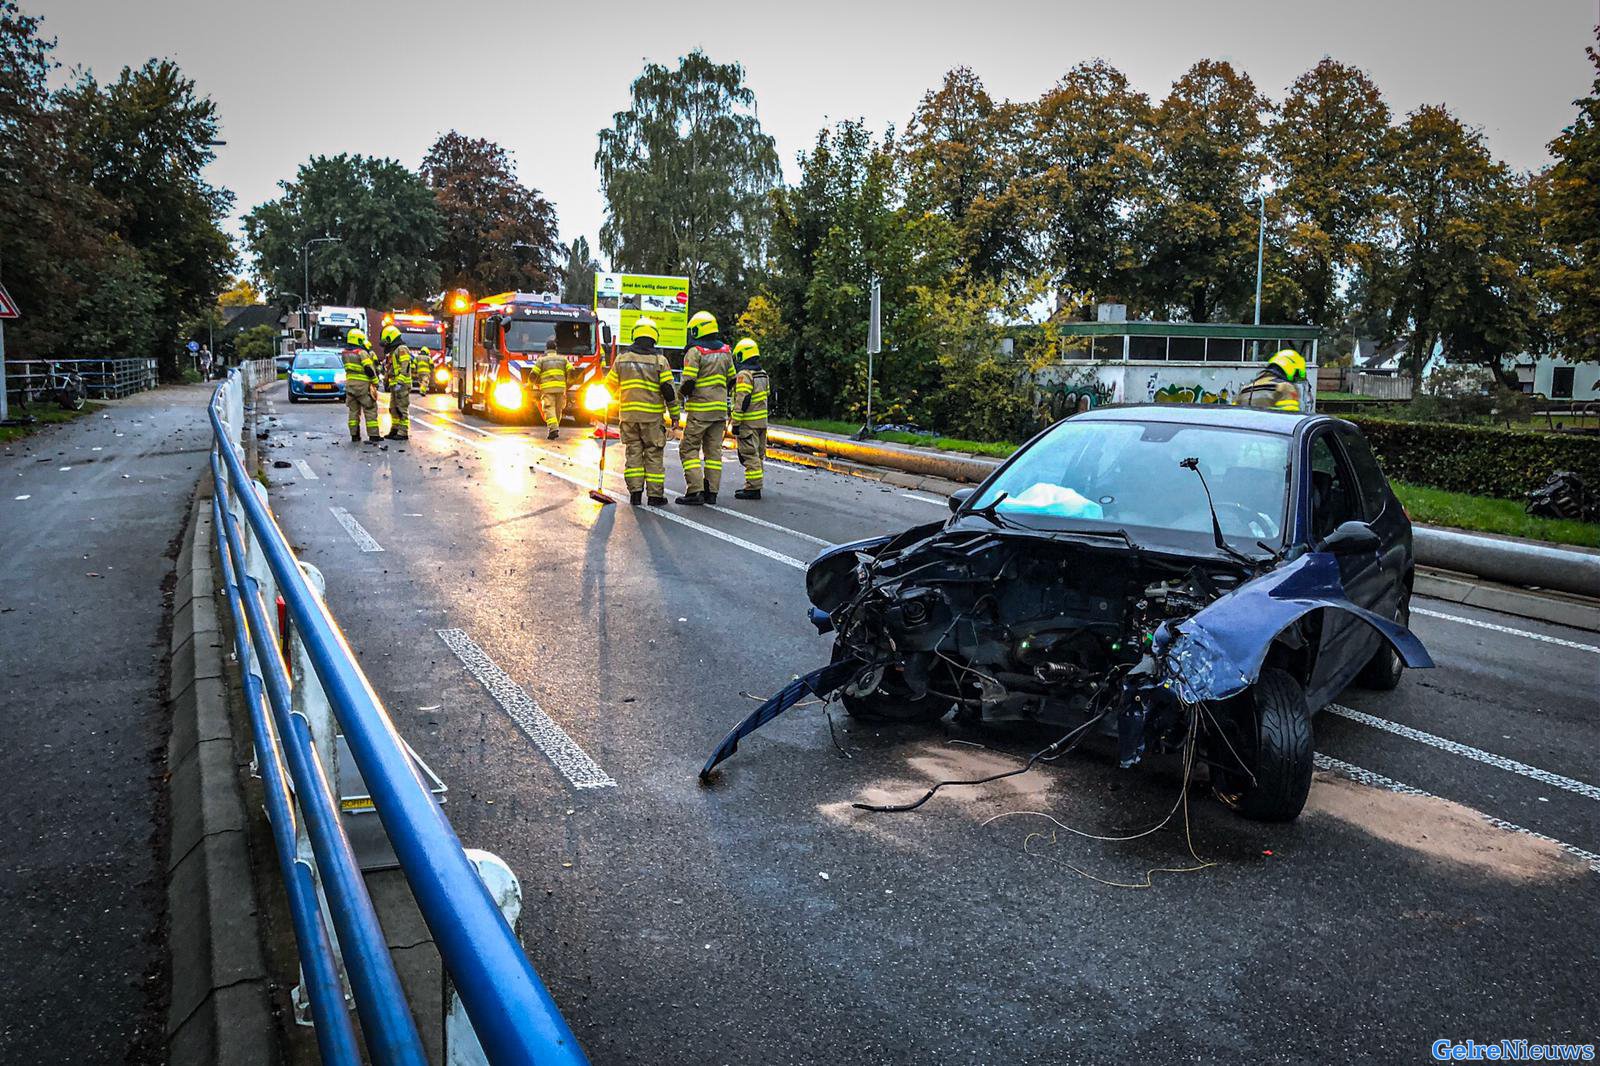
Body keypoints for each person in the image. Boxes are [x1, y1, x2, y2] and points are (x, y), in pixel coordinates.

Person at [604, 317, 677, 505]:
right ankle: (655, 496)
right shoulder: (660, 361)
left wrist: (602, 403)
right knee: (653, 454)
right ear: (654, 337)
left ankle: (635, 495)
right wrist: (675, 415)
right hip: (652, 418)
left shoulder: (622, 360)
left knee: (633, 453)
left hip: (628, 417)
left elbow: (608, 387)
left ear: (634, 335)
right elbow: (668, 390)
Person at [675, 309, 734, 505]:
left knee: (688, 448)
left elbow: (689, 381)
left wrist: (678, 396)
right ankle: (712, 492)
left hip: (700, 410)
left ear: (697, 330)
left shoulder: (695, 352)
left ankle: (695, 491)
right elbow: (732, 379)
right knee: (713, 452)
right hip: (719, 412)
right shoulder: (726, 351)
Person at [730, 337, 770, 500]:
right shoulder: (763, 374)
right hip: (762, 422)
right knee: (758, 455)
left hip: (748, 423)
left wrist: (736, 422)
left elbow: (743, 399)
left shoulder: (745, 375)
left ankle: (753, 488)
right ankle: (756, 483)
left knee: (749, 455)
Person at [342, 329, 381, 443]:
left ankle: (355, 435)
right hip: (363, 386)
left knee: (353, 412)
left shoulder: (344, 353)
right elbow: (368, 368)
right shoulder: (361, 352)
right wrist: (375, 382)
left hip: (350, 386)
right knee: (370, 410)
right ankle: (373, 436)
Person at [1238, 348, 1306, 412]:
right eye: (1295, 374)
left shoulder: (1245, 389)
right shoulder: (1285, 387)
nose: (1294, 380)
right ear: (1290, 368)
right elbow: (1291, 417)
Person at [534, 337, 570, 439]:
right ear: (556, 348)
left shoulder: (541, 360)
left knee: (549, 408)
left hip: (547, 389)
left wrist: (530, 383)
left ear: (546, 348)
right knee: (558, 410)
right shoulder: (563, 359)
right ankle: (554, 428)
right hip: (561, 389)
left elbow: (534, 374)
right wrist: (570, 382)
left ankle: (553, 429)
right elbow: (571, 371)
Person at [379, 325, 412, 440]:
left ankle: (403, 432)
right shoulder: (393, 352)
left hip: (401, 385)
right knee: (393, 408)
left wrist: (400, 382)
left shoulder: (402, 349)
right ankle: (395, 429)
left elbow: (405, 366)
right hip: (394, 384)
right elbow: (390, 368)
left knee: (401, 408)